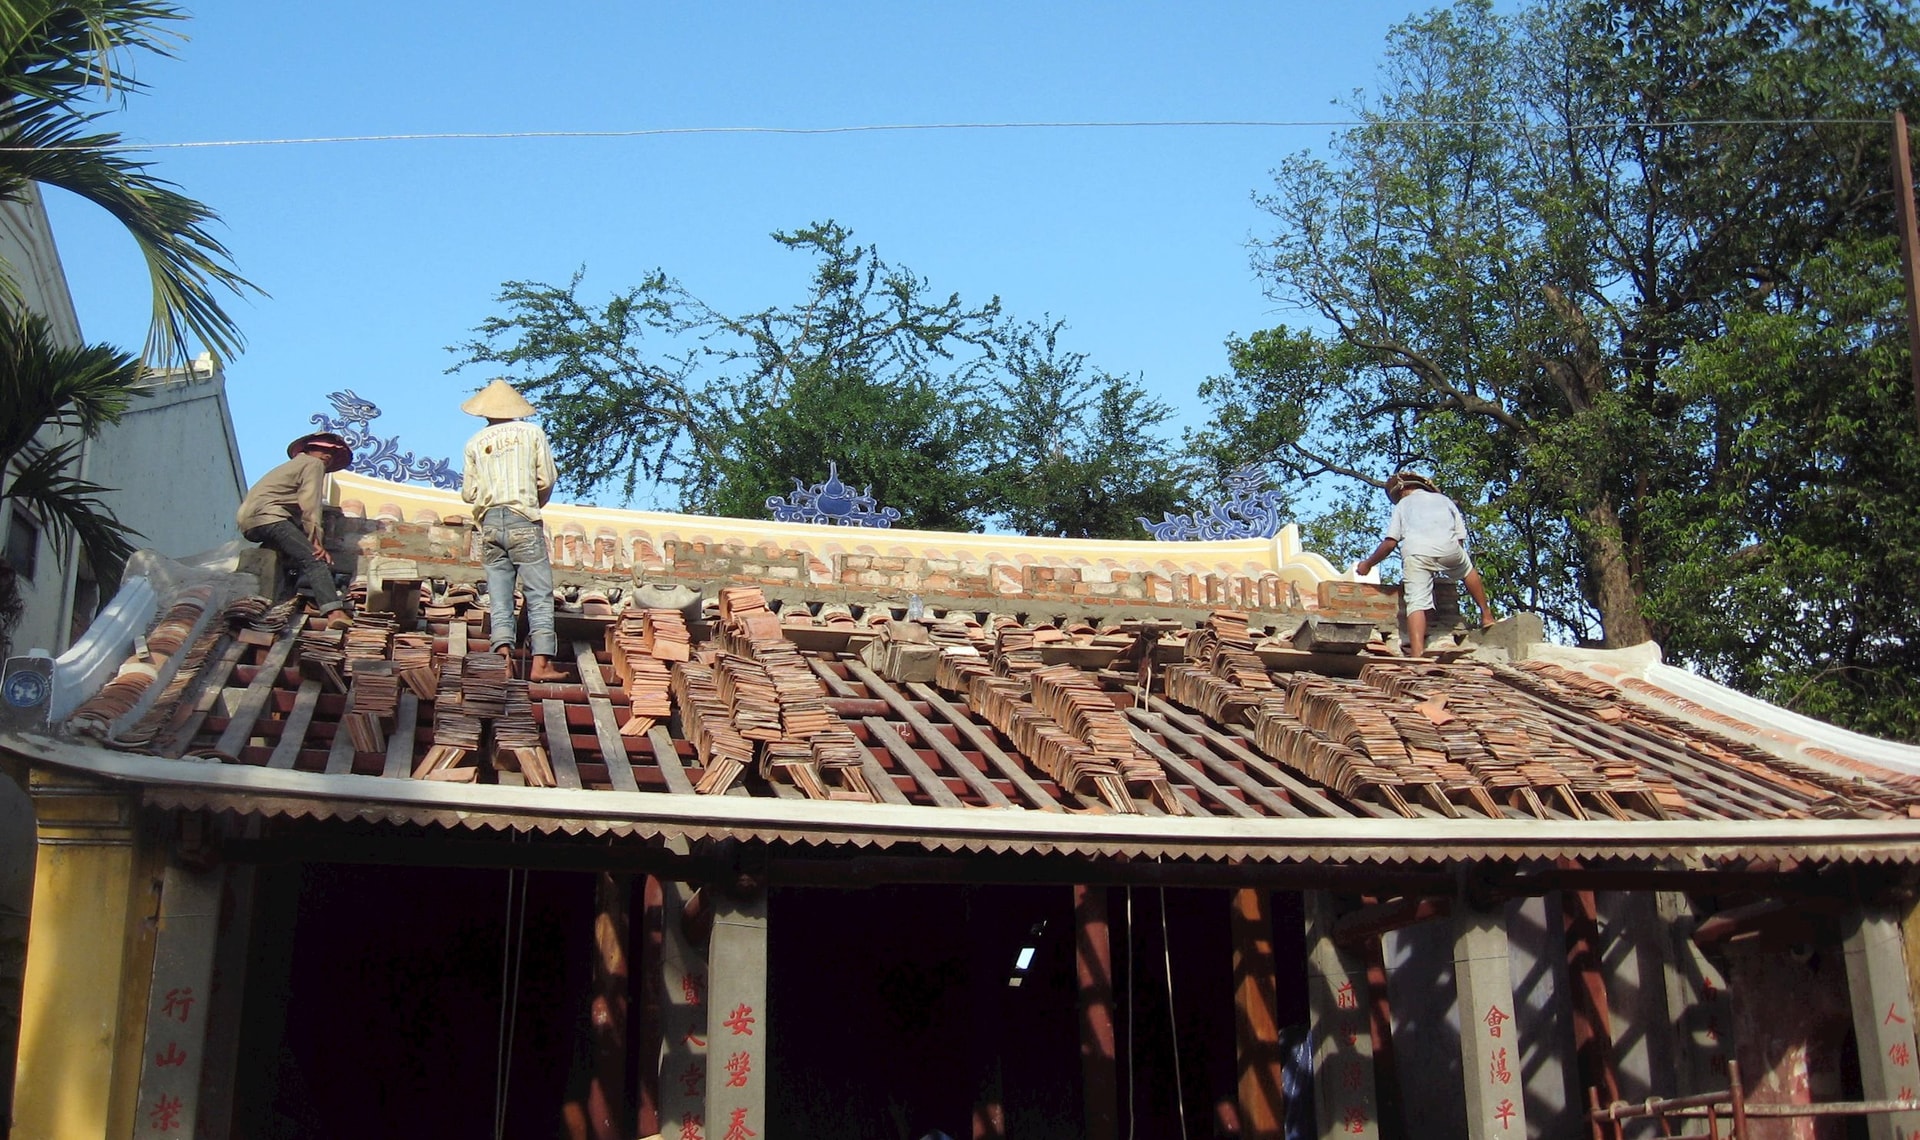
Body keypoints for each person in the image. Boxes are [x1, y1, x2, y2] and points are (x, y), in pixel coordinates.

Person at [460, 379, 566, 682]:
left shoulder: (474, 443)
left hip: (490, 523)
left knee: (499, 594)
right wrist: (535, 505)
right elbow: (546, 479)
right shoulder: (532, 433)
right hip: (524, 519)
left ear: (484, 412)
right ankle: (541, 662)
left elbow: (469, 493)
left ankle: (503, 657)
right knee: (539, 593)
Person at [1354, 470, 1496, 657]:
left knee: (1416, 603)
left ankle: (1417, 653)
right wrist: (1443, 560)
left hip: (1417, 552)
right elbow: (1460, 539)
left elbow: (1390, 543)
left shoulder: (1403, 505)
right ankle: (1486, 615)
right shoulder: (1444, 500)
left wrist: (1368, 564)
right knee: (1467, 569)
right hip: (1449, 548)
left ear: (1402, 492)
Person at [236, 432, 355, 630]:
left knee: (287, 553)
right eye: (324, 450)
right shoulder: (313, 464)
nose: (328, 456)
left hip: (251, 522)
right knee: (315, 560)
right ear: (310, 450)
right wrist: (316, 539)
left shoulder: (292, 466)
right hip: (271, 516)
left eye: (332, 454)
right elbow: (310, 504)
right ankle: (334, 612)